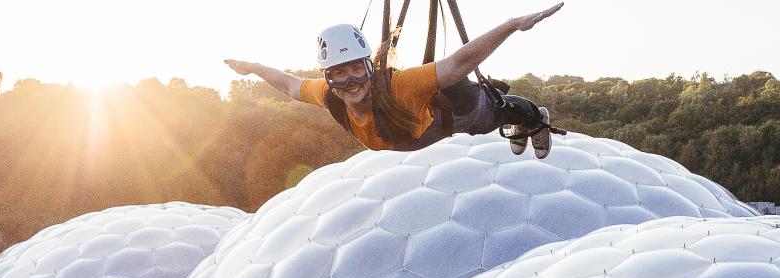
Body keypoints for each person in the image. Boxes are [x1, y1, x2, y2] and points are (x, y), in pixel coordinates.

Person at [226, 3, 565, 158]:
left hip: (450, 116)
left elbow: (458, 62)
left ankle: (536, 119)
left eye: (357, 69)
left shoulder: (400, 86)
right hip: (419, 132)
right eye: (338, 75)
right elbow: (288, 84)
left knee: (490, 112)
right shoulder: (328, 95)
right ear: (327, 77)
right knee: (468, 103)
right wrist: (253, 67)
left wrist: (510, 26)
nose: (351, 82)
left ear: (369, 67)